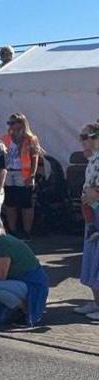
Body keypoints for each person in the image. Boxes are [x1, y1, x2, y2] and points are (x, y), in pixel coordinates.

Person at [0, 214, 49, 326]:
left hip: (31, 284)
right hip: (18, 284)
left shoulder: (3, 243)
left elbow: (0, 278)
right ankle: (14, 309)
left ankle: (24, 309)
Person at [1, 113, 42, 240]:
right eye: (9, 123)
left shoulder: (30, 139)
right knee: (10, 204)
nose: (11, 126)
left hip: (23, 172)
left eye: (13, 123)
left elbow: (34, 158)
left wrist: (32, 174)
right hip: (9, 172)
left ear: (21, 123)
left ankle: (26, 231)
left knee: (26, 204)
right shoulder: (6, 138)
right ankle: (12, 230)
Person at [75, 122, 99, 319]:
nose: (81, 141)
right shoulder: (93, 160)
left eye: (84, 137)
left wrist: (95, 194)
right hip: (91, 211)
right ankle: (96, 301)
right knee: (91, 256)